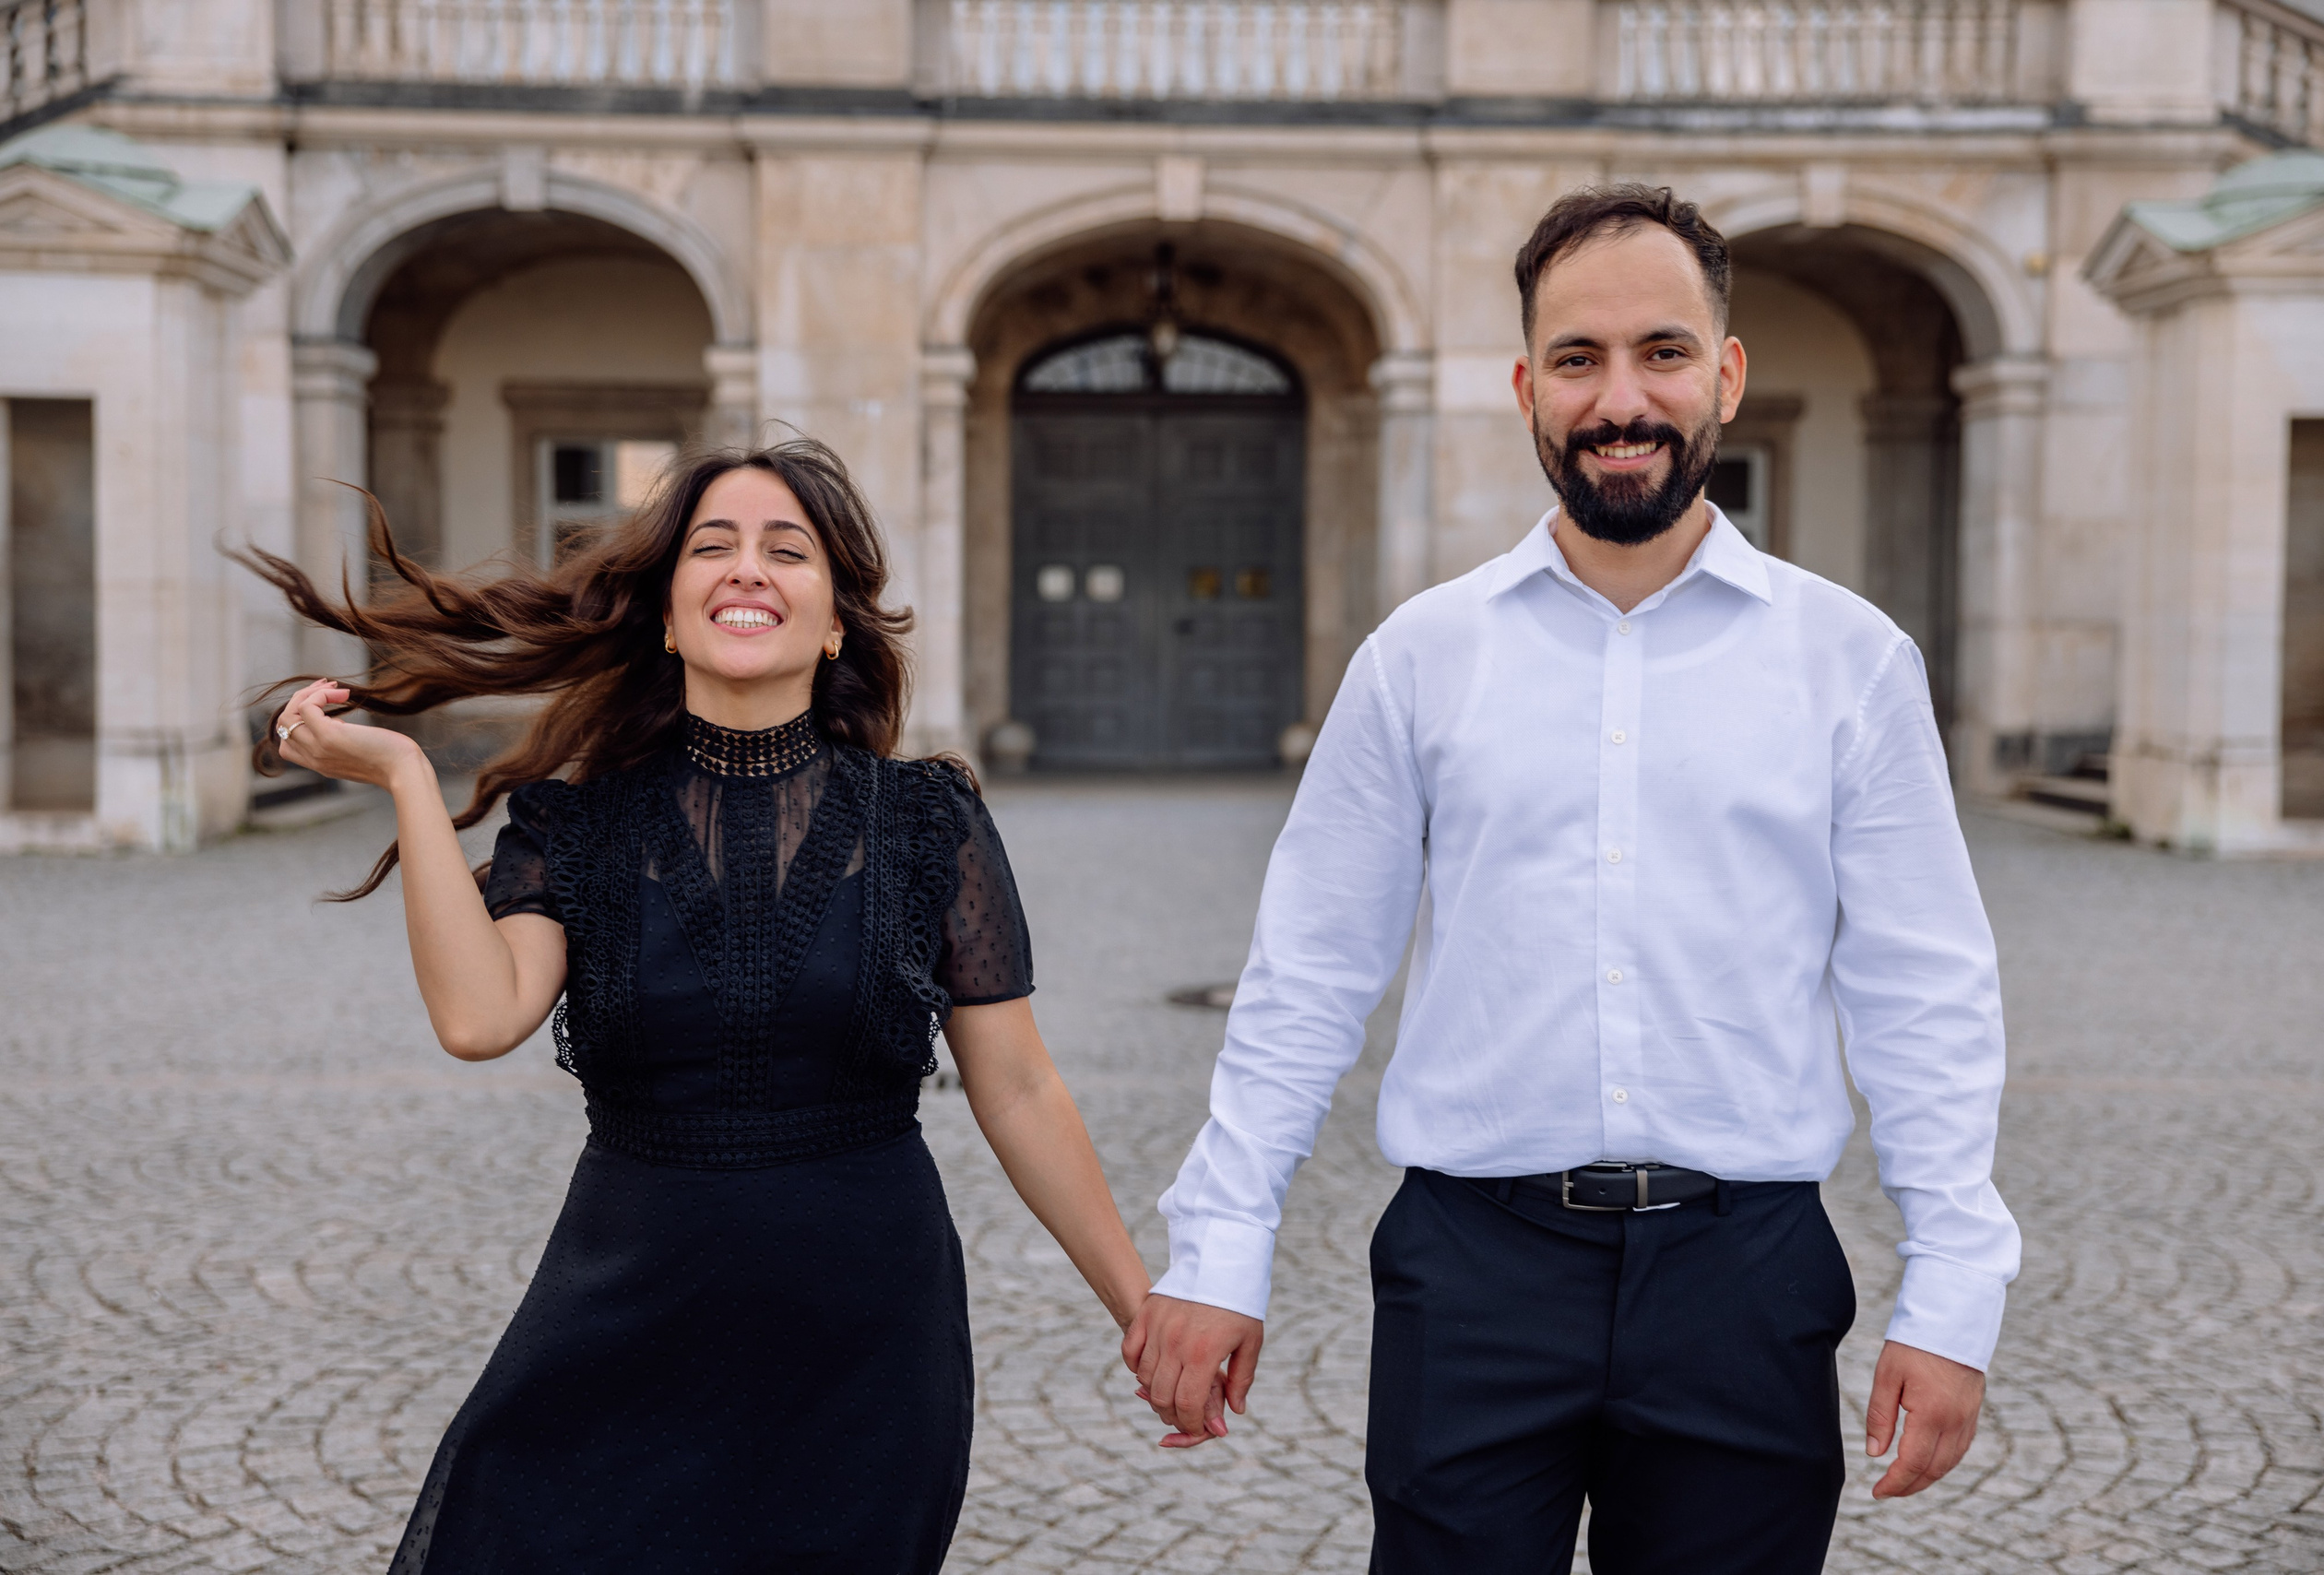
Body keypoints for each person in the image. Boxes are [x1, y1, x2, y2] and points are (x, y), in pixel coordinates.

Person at [1122, 184, 2020, 1572]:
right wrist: (1218, 1249)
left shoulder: (1849, 662)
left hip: (1746, 1279)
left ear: (1726, 375)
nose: (1621, 401)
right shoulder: (1419, 659)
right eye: (1579, 359)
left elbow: (1924, 990)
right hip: (1471, 1273)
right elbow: (1308, 972)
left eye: (1663, 353)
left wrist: (1953, 1290)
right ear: (1527, 388)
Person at [246, 439, 1151, 1574]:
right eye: (713, 546)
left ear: (835, 622)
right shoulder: (574, 826)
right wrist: (405, 779)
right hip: (620, 1318)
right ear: (669, 617)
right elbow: (478, 1018)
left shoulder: (928, 820)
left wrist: (1141, 1307)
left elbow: (1016, 1086)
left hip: (865, 1348)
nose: (747, 568)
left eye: (788, 550)